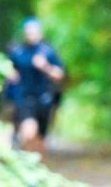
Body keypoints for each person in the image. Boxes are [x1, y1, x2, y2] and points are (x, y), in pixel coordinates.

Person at [7, 17, 67, 152]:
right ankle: (24, 157)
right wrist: (11, 74)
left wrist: (45, 67)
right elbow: (8, 68)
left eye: (33, 32)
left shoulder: (48, 52)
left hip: (44, 99)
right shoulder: (18, 51)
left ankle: (35, 166)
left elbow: (60, 74)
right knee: (28, 133)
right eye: (28, 32)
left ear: (40, 33)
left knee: (39, 140)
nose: (31, 35)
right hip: (24, 98)